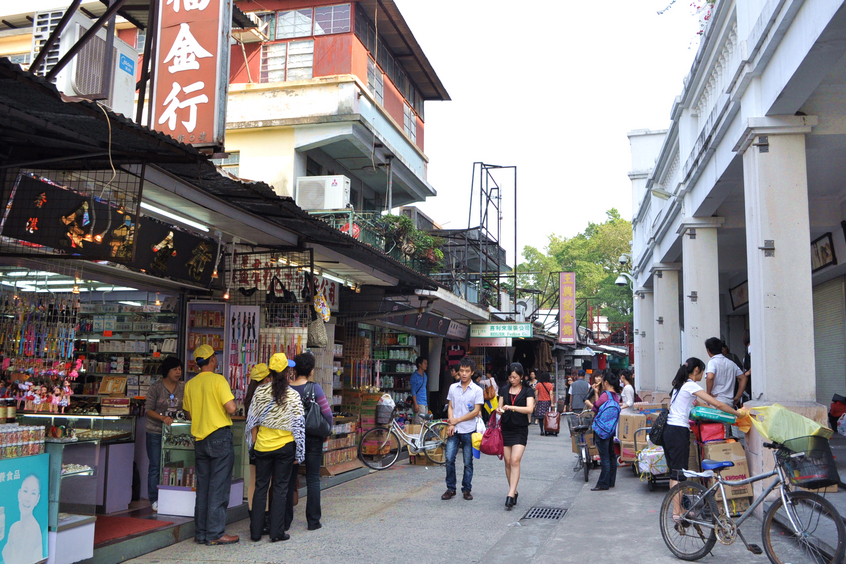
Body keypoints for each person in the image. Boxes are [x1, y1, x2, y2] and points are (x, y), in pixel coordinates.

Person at [665, 358, 740, 523]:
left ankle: (681, 509)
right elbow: (717, 404)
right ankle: (677, 513)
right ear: (697, 369)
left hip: (670, 432)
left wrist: (717, 412)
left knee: (676, 474)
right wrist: (738, 414)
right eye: (703, 371)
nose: (704, 375)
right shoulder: (690, 385)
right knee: (678, 475)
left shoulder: (680, 386)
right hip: (678, 432)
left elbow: (704, 406)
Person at [183, 344, 239, 545]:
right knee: (219, 487)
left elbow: (189, 414)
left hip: (200, 440)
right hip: (219, 437)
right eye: (215, 356)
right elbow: (231, 408)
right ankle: (215, 533)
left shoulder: (190, 384)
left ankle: (201, 533)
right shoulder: (218, 380)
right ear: (212, 360)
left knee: (204, 487)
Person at [246, 352, 304, 543]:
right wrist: (300, 451)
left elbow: (251, 422)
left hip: (262, 447)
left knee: (261, 487)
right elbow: (298, 425)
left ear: (270, 371)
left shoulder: (260, 392)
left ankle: (255, 532)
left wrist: (252, 444)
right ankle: (276, 532)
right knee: (280, 488)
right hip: (285, 448)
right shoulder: (293, 395)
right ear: (287, 372)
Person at [285, 352, 333, 532]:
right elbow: (327, 413)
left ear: (294, 369)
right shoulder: (315, 388)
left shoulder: (287, 388)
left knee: (290, 480)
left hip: (290, 438)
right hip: (313, 437)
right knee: (313, 478)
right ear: (311, 371)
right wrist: (327, 430)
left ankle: (285, 521)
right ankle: (313, 521)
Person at [144, 355, 184, 512]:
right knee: (155, 465)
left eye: (180, 369)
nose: (178, 372)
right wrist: (162, 418)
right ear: (167, 370)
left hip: (176, 433)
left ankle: (172, 496)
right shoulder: (156, 387)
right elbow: (148, 410)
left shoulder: (183, 387)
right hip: (155, 431)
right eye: (175, 369)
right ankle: (154, 498)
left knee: (173, 465)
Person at [441, 356, 483, 501]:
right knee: (449, 459)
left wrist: (457, 420)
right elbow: (450, 406)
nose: (464, 373)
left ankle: (466, 489)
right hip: (455, 430)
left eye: (467, 371)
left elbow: (476, 411)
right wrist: (451, 424)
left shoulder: (477, 390)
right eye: (462, 371)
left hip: (469, 430)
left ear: (472, 372)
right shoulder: (453, 387)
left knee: (467, 462)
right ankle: (450, 488)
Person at [496, 362, 535, 510]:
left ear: (521, 377)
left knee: (515, 460)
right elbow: (499, 407)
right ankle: (514, 490)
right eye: (510, 377)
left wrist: (512, 407)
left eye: (515, 377)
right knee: (507, 461)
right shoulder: (504, 389)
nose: (512, 380)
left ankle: (510, 494)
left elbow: (529, 409)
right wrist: (499, 411)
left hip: (520, 429)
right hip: (506, 428)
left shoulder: (527, 391)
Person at [588, 371, 622, 491]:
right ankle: (611, 481)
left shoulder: (605, 395)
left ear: (606, 382)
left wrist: (596, 393)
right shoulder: (616, 396)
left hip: (601, 430)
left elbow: (595, 408)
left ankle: (603, 483)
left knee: (605, 458)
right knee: (612, 456)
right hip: (611, 429)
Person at [1, 473, 44, 564]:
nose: (27, 499)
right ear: (19, 493)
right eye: (25, 491)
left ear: (37, 499)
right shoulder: (14, 527)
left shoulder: (33, 528)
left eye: (33, 493)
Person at [704, 337, 749, 409]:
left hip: (715, 401)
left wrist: (708, 394)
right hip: (729, 403)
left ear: (708, 350)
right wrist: (738, 396)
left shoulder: (712, 362)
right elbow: (743, 378)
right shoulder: (731, 363)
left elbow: (710, 377)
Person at [410, 357, 428, 424]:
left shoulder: (425, 376)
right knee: (418, 423)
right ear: (420, 364)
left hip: (424, 403)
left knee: (425, 423)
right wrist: (415, 404)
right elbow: (413, 391)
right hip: (418, 403)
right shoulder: (414, 376)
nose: (426, 365)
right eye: (425, 363)